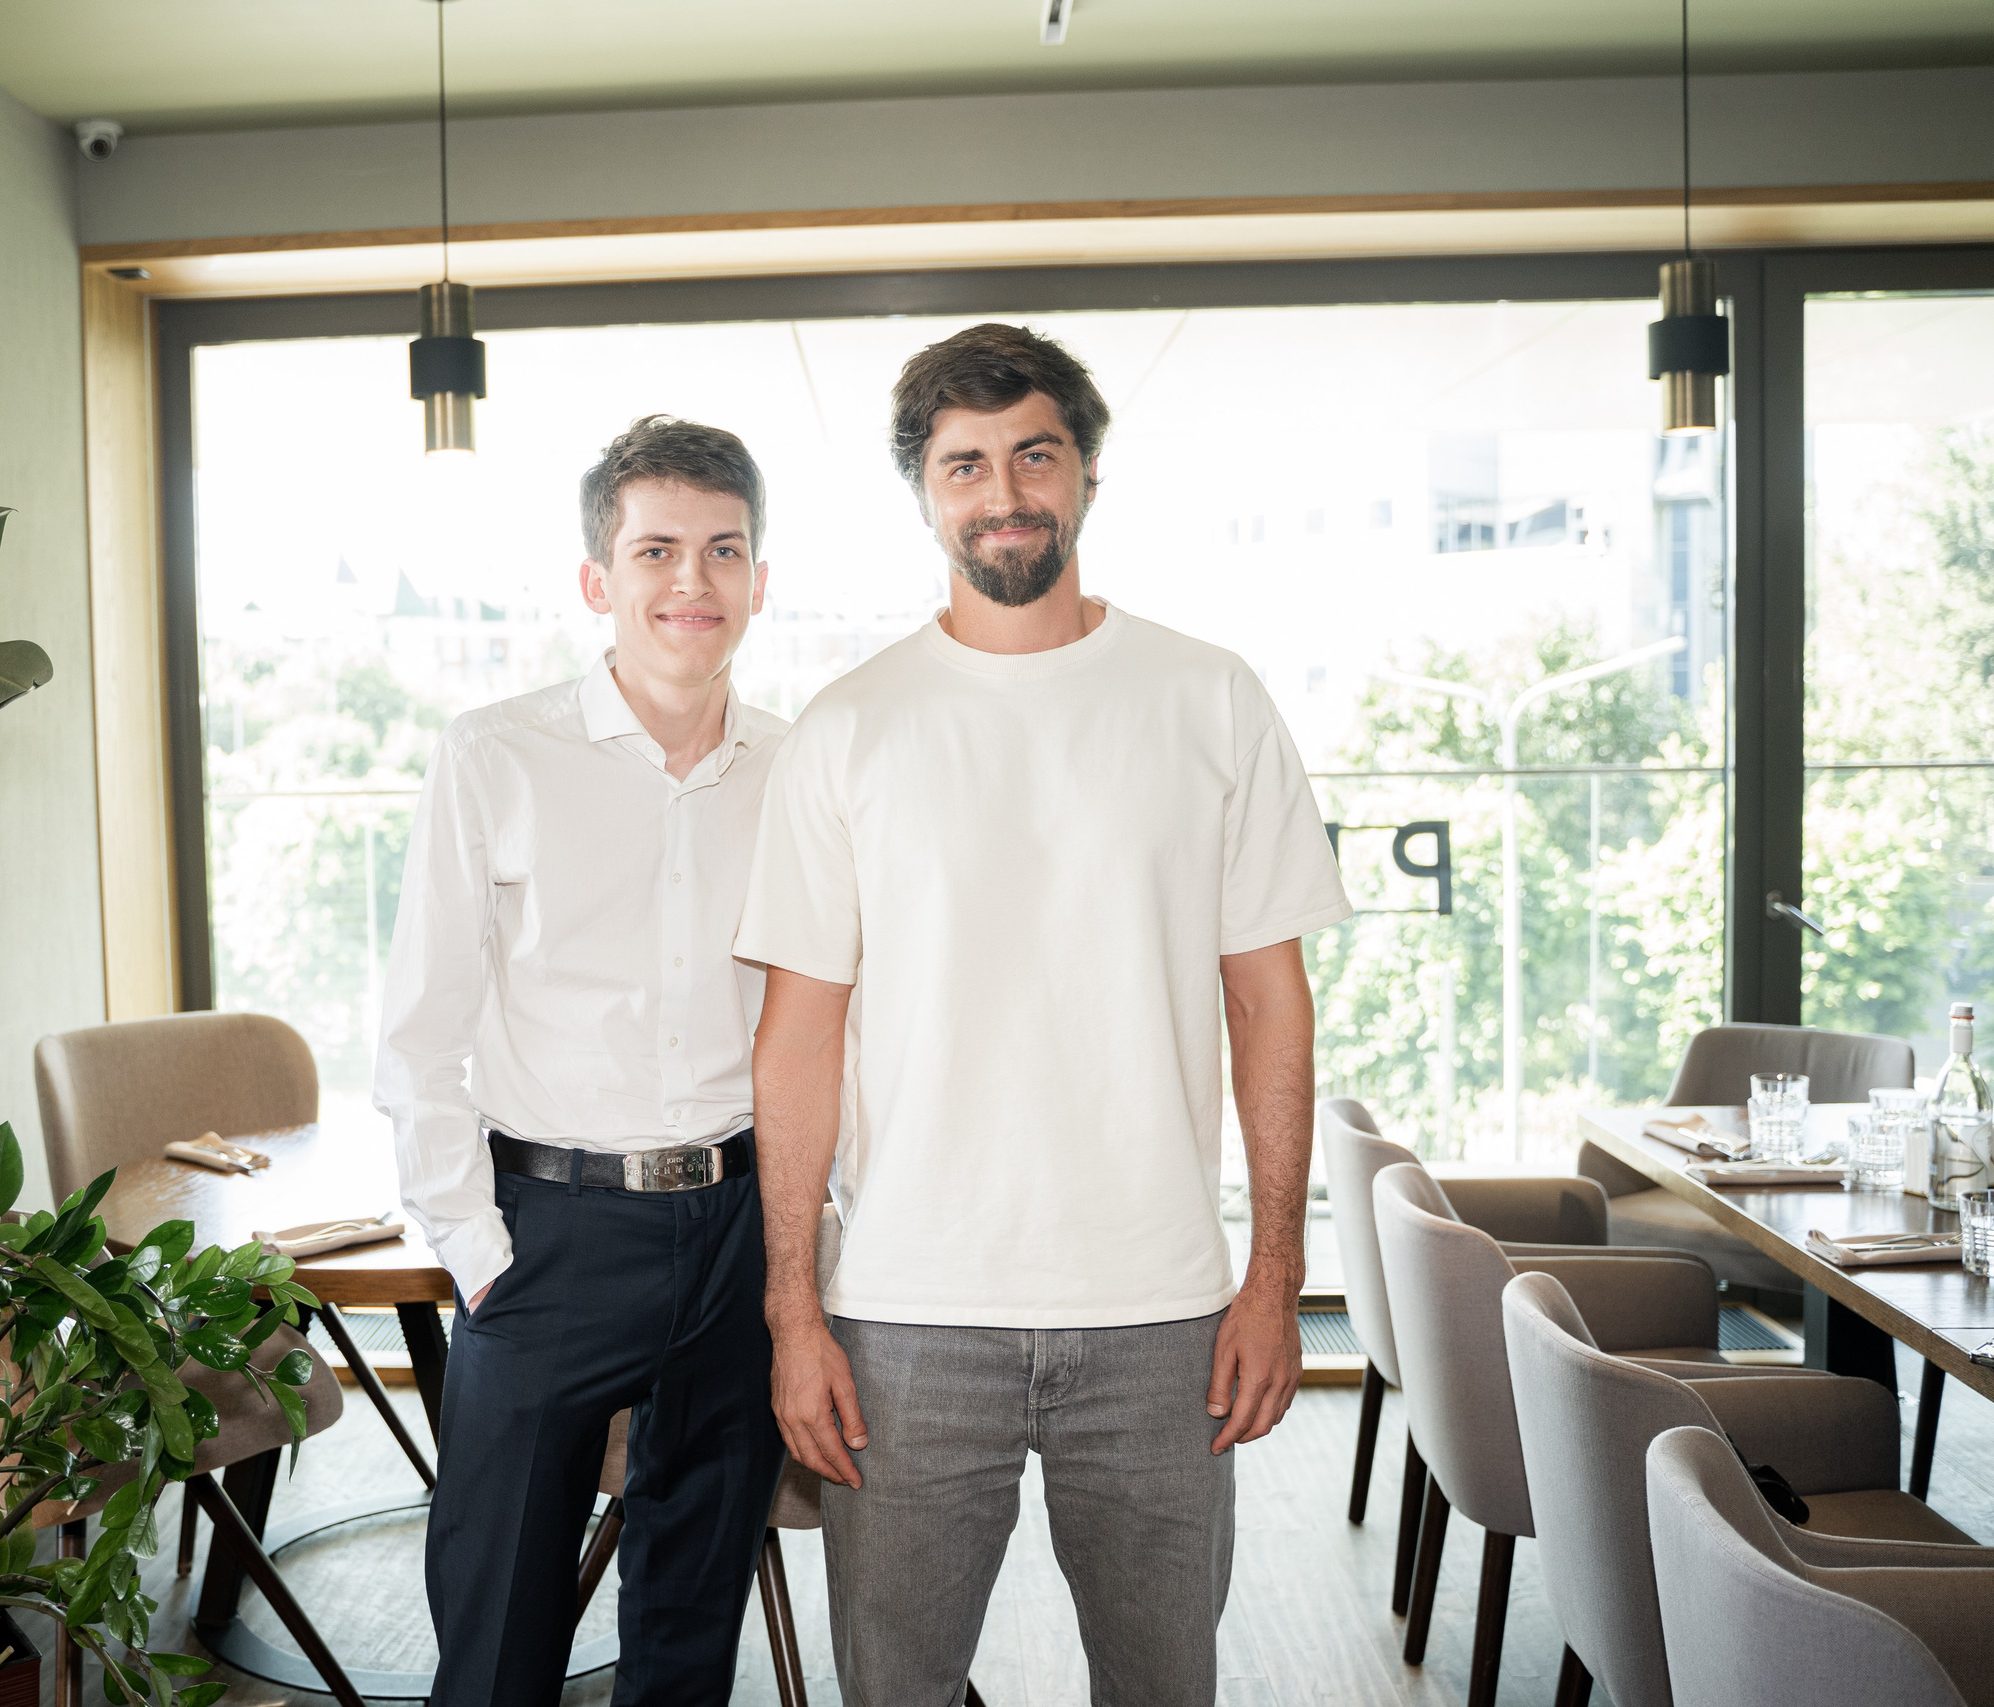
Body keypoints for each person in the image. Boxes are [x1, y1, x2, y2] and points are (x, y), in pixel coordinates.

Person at [735, 323, 1350, 1706]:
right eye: (965, 463)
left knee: (1163, 1688)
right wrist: (794, 1314)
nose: (1003, 490)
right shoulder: (850, 730)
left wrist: (1272, 1281)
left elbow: (1270, 1003)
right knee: (894, 1691)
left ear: (1084, 475)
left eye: (1034, 453)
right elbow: (796, 1040)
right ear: (924, 492)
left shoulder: (1212, 698)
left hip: (1162, 1313)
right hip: (901, 1314)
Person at [376, 415, 790, 1707]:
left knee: (690, 1624)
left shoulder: (800, 770)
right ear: (597, 582)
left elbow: (826, 1023)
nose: (692, 582)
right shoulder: (496, 756)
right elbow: (419, 1033)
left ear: (760, 581)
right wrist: (478, 1252)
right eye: (656, 549)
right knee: (499, 1635)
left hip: (743, 1225)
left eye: (725, 551)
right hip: (550, 1232)